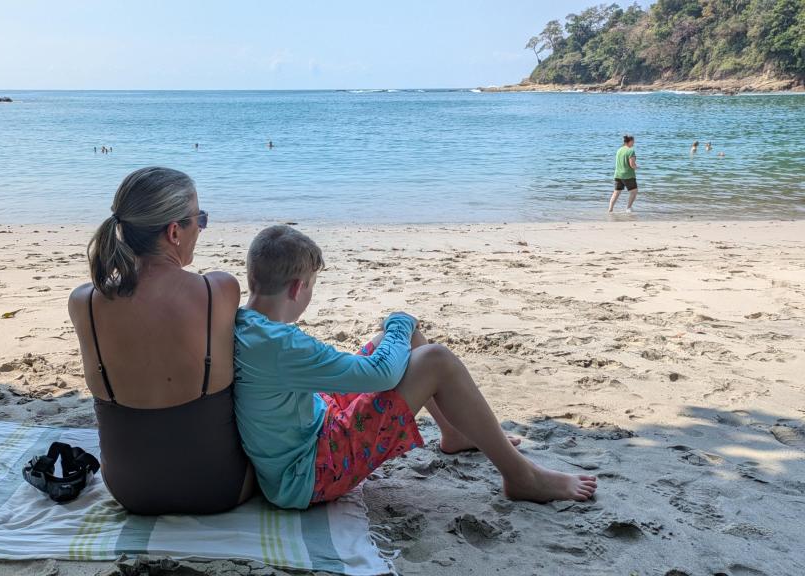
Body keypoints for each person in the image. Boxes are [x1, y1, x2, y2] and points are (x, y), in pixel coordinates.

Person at [233, 225, 598, 510]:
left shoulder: (246, 325)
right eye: (312, 287)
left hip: (308, 428)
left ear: (253, 278)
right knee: (434, 359)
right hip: (311, 473)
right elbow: (381, 374)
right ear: (298, 288)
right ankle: (522, 476)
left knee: (393, 347)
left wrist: (394, 338)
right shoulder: (284, 345)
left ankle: (454, 434)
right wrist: (400, 322)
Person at [68, 167, 255, 515]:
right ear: (174, 231)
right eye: (199, 219)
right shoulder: (219, 290)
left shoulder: (84, 303)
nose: (201, 228)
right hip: (221, 488)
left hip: (130, 491)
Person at [609, 134, 638, 213]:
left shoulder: (619, 150)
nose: (634, 143)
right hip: (628, 175)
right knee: (634, 191)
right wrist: (636, 167)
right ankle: (628, 208)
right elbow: (632, 165)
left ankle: (610, 209)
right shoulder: (631, 151)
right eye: (633, 141)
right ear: (630, 141)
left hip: (618, 174)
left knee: (616, 192)